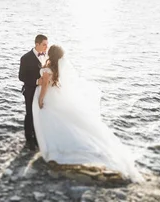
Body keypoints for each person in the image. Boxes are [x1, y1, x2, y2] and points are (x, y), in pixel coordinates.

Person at [33, 45, 144, 182]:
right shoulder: (58, 68)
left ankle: (55, 150)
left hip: (50, 97)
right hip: (57, 95)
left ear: (50, 54)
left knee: (48, 121)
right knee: (61, 121)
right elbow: (56, 82)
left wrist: (41, 98)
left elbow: (44, 86)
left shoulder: (47, 68)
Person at [18, 34, 48, 151]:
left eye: (47, 44)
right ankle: (29, 139)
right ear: (37, 44)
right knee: (30, 114)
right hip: (30, 90)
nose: (46, 47)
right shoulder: (25, 58)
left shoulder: (46, 56)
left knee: (39, 113)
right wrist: (36, 81)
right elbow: (21, 77)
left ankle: (37, 137)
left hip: (42, 91)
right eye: (44, 45)